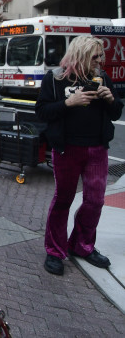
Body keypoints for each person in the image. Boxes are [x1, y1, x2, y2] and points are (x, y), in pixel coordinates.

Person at [36, 35, 123, 276]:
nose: (100, 61)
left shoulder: (101, 78)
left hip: (97, 149)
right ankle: (55, 250)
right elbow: (42, 111)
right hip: (66, 149)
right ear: (81, 55)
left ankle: (82, 245)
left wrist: (110, 99)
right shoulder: (55, 79)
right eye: (95, 56)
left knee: (95, 201)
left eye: (101, 56)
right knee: (63, 199)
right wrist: (69, 102)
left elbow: (116, 112)